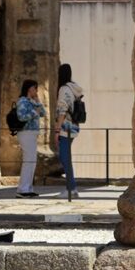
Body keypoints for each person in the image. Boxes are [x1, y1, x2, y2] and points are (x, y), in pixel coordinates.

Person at [55, 63, 84, 199]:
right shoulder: (74, 88)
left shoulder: (64, 89)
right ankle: (71, 188)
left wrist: (57, 129)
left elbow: (62, 109)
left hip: (65, 127)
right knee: (66, 158)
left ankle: (71, 189)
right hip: (74, 125)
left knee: (64, 158)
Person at [14, 78, 46, 198]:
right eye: (35, 88)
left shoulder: (32, 101)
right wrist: (34, 113)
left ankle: (28, 187)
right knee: (28, 160)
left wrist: (37, 101)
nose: (36, 90)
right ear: (29, 89)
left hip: (32, 133)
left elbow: (43, 113)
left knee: (32, 161)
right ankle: (22, 188)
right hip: (25, 132)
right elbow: (22, 116)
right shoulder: (22, 101)